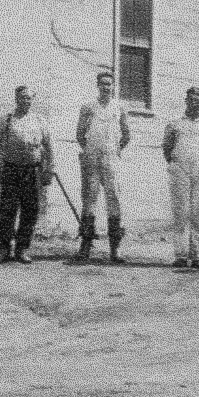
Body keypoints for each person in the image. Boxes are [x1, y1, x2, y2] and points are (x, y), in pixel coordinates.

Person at [73, 70, 132, 262]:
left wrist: (113, 151)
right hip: (92, 160)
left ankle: (115, 249)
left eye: (109, 84)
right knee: (89, 200)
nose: (106, 87)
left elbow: (126, 135)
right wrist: (91, 150)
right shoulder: (88, 107)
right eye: (103, 84)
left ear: (114, 86)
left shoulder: (120, 108)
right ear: (97, 86)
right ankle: (85, 246)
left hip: (111, 161)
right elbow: (80, 134)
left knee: (114, 200)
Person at [162, 85, 199, 270]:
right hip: (180, 170)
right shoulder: (175, 123)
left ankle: (198, 256)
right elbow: (166, 148)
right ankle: (180, 255)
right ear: (186, 101)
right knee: (180, 212)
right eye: (191, 100)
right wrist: (178, 164)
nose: (195, 104)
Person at [0, 84, 55, 263]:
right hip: (11, 169)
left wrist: (49, 169)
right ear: (16, 99)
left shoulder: (40, 121)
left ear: (32, 100)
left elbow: (50, 148)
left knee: (30, 210)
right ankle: (2, 249)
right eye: (22, 97)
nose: (25, 101)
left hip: (32, 170)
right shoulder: (7, 119)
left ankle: (22, 249)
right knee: (7, 210)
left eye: (28, 98)